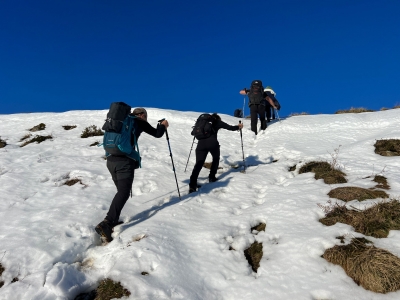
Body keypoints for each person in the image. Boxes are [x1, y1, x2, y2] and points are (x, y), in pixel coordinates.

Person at [95, 108, 169, 242]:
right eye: (145, 116)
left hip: (111, 160)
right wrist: (163, 125)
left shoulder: (120, 121)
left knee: (121, 192)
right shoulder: (139, 121)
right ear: (141, 115)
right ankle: (107, 223)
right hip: (124, 161)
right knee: (123, 192)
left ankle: (112, 221)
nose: (145, 118)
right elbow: (157, 134)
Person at [189, 113, 243, 193]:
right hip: (212, 143)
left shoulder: (201, 123)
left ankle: (192, 185)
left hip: (200, 145)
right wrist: (239, 127)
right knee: (216, 158)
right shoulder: (216, 121)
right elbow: (230, 127)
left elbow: (192, 133)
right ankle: (212, 177)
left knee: (198, 164)